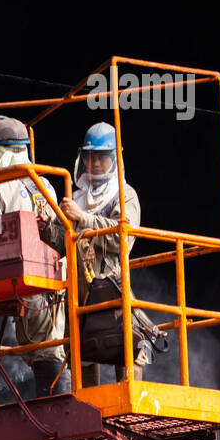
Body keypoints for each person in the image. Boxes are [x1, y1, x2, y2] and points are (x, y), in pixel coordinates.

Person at [0, 114, 70, 397]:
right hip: (55, 279)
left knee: (43, 349)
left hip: (22, 281)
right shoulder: (45, 184)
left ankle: (54, 410)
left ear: (1, 151)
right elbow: (61, 234)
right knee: (54, 343)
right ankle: (61, 403)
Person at [47, 121, 150, 384]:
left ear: (115, 158)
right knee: (83, 356)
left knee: (127, 346)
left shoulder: (125, 196)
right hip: (79, 295)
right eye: (89, 156)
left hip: (111, 290)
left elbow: (122, 237)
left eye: (101, 157)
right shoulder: (77, 198)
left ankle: (131, 402)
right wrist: (48, 227)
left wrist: (83, 218)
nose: (93, 163)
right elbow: (60, 242)